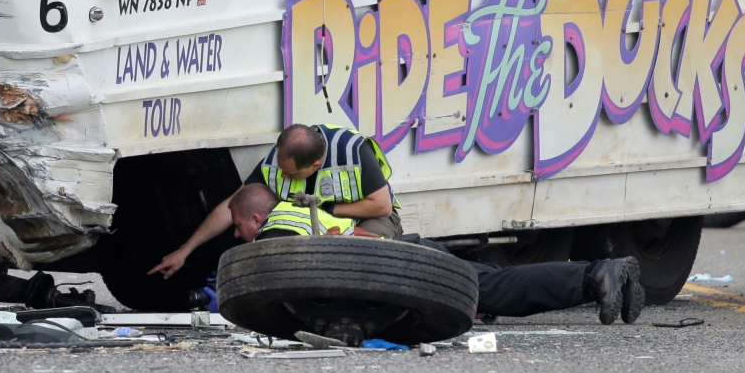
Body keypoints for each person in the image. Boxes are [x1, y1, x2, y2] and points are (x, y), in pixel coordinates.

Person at [228, 183, 645, 326]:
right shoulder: (304, 213)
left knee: (494, 293)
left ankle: (596, 278)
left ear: (257, 216)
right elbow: (354, 237)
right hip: (408, 254)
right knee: (495, 287)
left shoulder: (275, 232)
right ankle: (604, 277)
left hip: (404, 264)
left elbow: (276, 275)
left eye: (237, 225)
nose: (237, 235)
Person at [150, 123, 399, 279]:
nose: (283, 176)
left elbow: (382, 205)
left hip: (368, 218)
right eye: (282, 168)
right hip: (318, 225)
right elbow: (231, 207)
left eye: (290, 174)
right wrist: (185, 251)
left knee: (364, 254)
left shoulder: (353, 149)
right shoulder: (276, 162)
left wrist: (329, 209)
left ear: (314, 166)